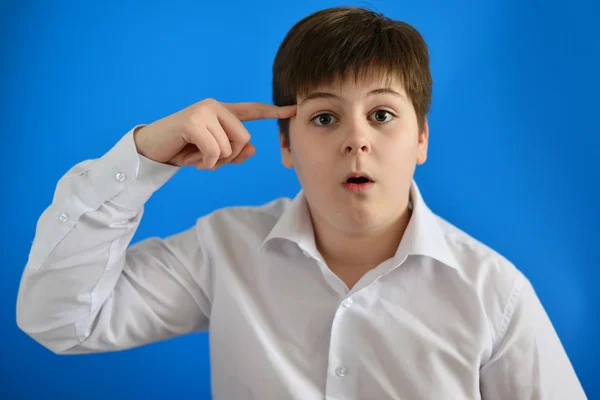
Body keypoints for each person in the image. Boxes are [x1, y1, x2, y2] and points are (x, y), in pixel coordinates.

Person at [16, 6, 586, 400]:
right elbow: (59, 320)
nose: (356, 140)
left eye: (382, 114)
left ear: (421, 139)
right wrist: (143, 158)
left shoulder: (496, 295)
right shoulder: (225, 249)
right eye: (324, 117)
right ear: (286, 145)